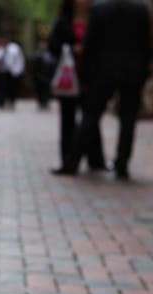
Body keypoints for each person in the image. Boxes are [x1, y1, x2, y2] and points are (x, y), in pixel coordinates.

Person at [59, 0, 152, 179]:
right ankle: (122, 165)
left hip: (103, 71)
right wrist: (144, 71)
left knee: (90, 116)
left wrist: (85, 76)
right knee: (128, 120)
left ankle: (72, 163)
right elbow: (146, 44)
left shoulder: (99, 9)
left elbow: (89, 44)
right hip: (132, 72)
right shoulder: (140, 9)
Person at [48, 0, 106, 174]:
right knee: (68, 119)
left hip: (90, 77)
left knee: (91, 119)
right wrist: (72, 49)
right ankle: (67, 160)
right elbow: (53, 47)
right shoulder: (63, 22)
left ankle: (96, 159)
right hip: (69, 78)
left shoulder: (96, 17)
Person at [0, 39, 25, 110]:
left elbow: (19, 60)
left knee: (12, 87)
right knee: (2, 87)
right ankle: (1, 102)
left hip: (13, 71)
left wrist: (19, 70)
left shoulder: (14, 48)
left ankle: (12, 101)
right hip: (2, 71)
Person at [31, 39, 56, 110]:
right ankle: (41, 102)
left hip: (48, 76)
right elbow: (34, 68)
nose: (43, 46)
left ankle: (46, 102)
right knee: (40, 91)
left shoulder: (49, 55)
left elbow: (52, 66)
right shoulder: (37, 55)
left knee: (46, 90)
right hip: (39, 76)